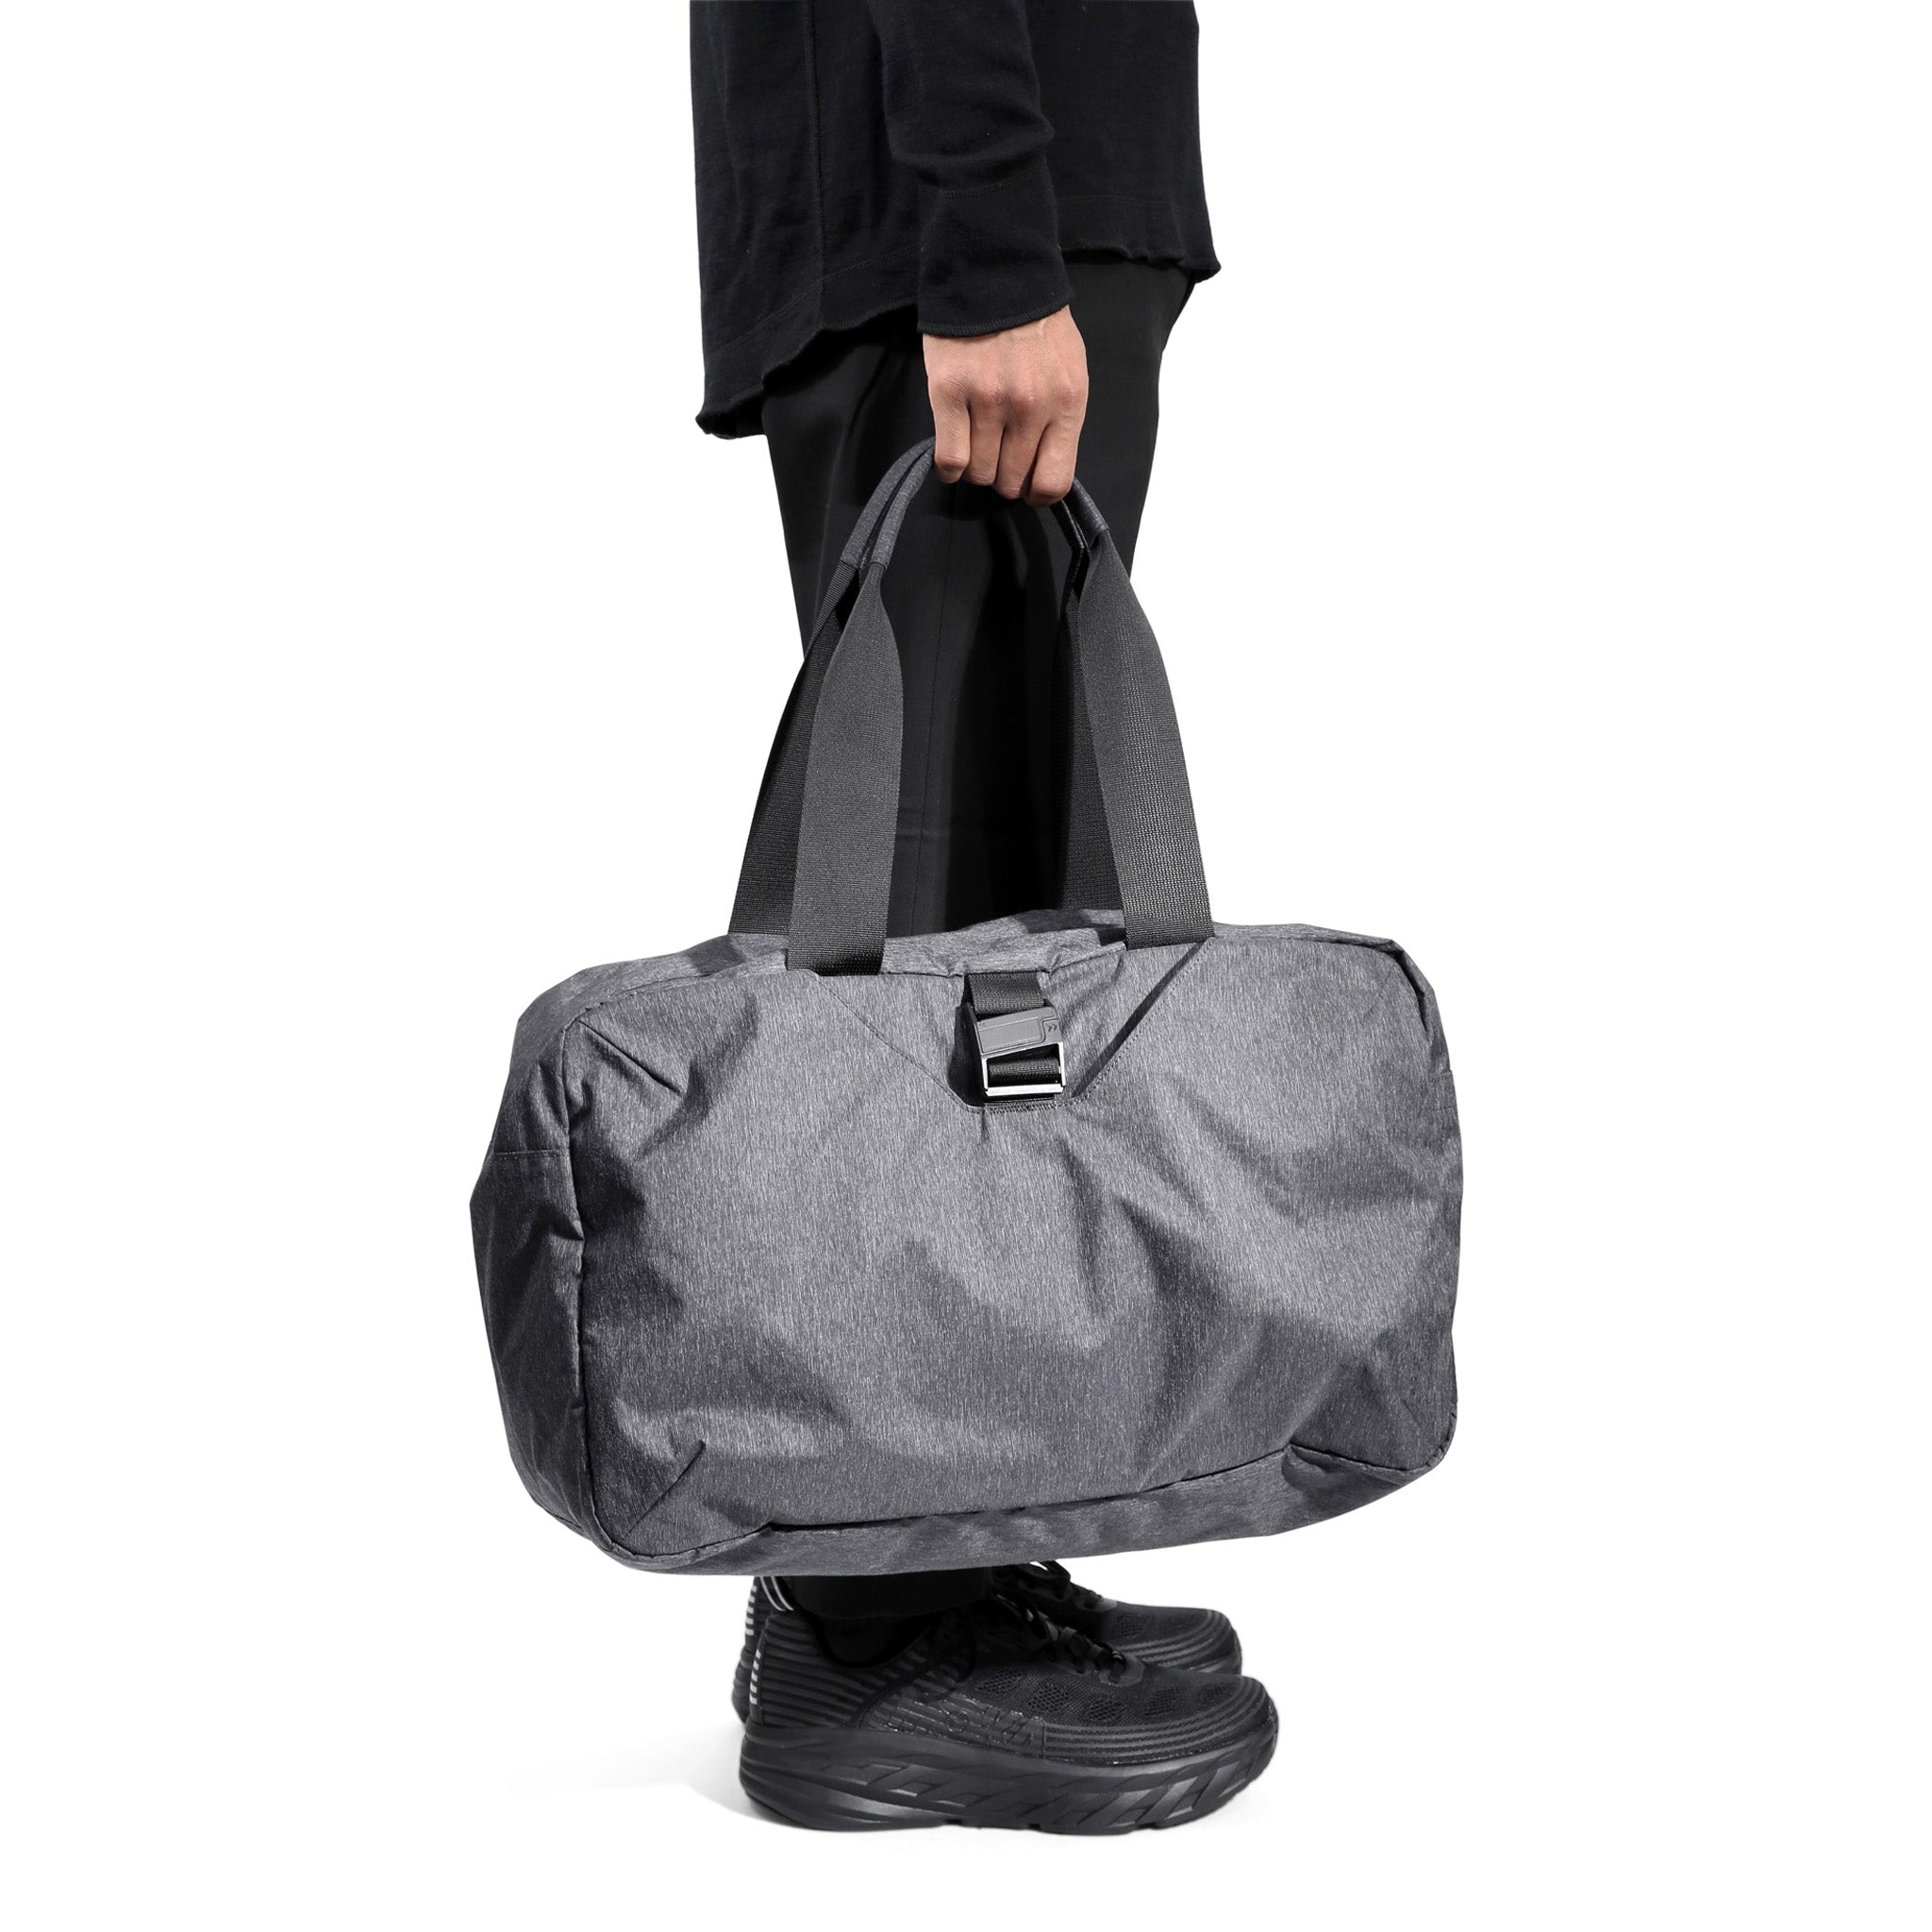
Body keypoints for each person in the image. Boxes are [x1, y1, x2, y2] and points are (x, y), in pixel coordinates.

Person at [691, 1, 1276, 1832]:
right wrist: (990, 230)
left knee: (985, 941)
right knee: (919, 939)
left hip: (965, 193)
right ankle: (868, 1630)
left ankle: (927, 1551)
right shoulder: (978, 237)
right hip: (968, 200)